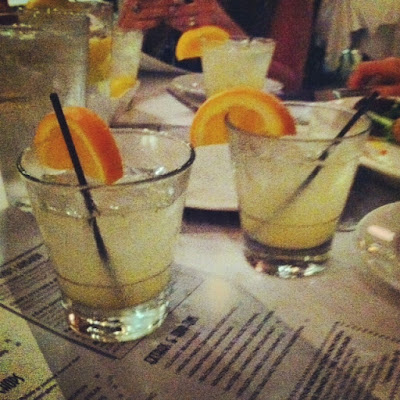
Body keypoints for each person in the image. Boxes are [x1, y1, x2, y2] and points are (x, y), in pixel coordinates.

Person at [118, 0, 314, 92]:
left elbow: (290, 84)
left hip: (239, 120)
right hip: (149, 118)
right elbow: (115, 72)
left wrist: (232, 37)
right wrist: (127, 31)